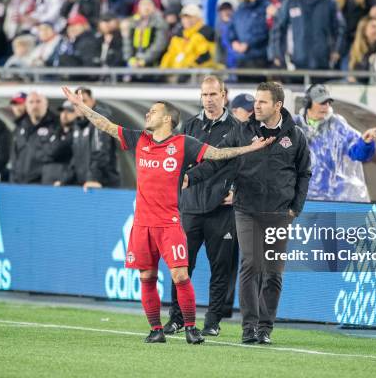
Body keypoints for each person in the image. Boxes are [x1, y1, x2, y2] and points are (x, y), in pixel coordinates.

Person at [61, 86, 275, 344]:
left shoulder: (183, 143)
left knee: (181, 275)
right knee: (146, 277)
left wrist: (248, 149)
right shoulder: (139, 139)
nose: (148, 114)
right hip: (141, 224)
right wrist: (80, 105)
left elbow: (217, 155)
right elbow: (104, 124)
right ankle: (155, 329)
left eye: (153, 111)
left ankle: (190, 327)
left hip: (169, 222)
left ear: (167, 119)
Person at [185, 82, 312, 345]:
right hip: (246, 210)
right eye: (256, 100)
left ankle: (265, 328)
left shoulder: (296, 136)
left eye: (263, 101)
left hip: (279, 213)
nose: (257, 105)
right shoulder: (241, 131)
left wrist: (295, 208)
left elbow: (304, 173)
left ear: (278, 105)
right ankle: (249, 328)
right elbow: (216, 159)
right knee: (251, 266)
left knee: (273, 273)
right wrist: (189, 178)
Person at [163, 76, 240, 337]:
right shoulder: (190, 125)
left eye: (213, 94)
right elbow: (180, 159)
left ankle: (213, 321)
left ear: (224, 95)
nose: (208, 99)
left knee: (221, 269)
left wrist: (237, 191)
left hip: (221, 209)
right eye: (205, 94)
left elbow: (244, 165)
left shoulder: (237, 128)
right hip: (191, 207)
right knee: (181, 266)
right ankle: (176, 318)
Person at [294, 84, 376, 202]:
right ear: (308, 103)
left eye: (328, 103)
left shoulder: (337, 125)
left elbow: (357, 153)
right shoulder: (294, 125)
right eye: (321, 103)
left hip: (332, 200)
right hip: (301, 200)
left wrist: (365, 143)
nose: (326, 107)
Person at [270, 0, 343, 72]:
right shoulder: (289, 4)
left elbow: (340, 29)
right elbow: (278, 30)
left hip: (323, 61)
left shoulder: (329, 3)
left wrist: (337, 50)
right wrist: (277, 54)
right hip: (295, 62)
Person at [58, 87, 120, 189]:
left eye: (84, 101)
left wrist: (93, 179)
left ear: (93, 101)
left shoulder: (100, 119)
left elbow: (101, 153)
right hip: (86, 184)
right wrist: (64, 181)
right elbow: (76, 158)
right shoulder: (77, 125)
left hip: (103, 185)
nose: (80, 105)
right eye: (76, 102)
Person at [9, 92, 58, 184]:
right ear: (26, 106)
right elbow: (14, 157)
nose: (35, 105)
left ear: (46, 104)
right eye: (31, 102)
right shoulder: (19, 127)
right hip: (19, 183)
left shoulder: (57, 126)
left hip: (43, 185)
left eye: (38, 101)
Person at [229, 0, 270, 72]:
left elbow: (264, 30)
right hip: (241, 58)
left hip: (259, 57)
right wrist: (234, 41)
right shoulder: (240, 8)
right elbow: (232, 28)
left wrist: (248, 43)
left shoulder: (266, 6)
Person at [160, 4, 217, 70]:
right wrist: (162, 71)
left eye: (190, 17)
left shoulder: (205, 33)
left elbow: (206, 56)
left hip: (196, 74)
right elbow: (169, 55)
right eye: (184, 17)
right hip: (176, 73)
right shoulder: (178, 36)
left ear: (198, 18)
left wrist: (190, 68)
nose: (186, 20)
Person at [122, 0, 169, 68]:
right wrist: (130, 59)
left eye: (149, 4)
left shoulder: (160, 23)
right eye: (143, 4)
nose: (146, 7)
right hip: (133, 63)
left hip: (153, 64)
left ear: (154, 7)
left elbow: (159, 45)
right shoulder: (132, 23)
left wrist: (144, 60)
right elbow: (127, 42)